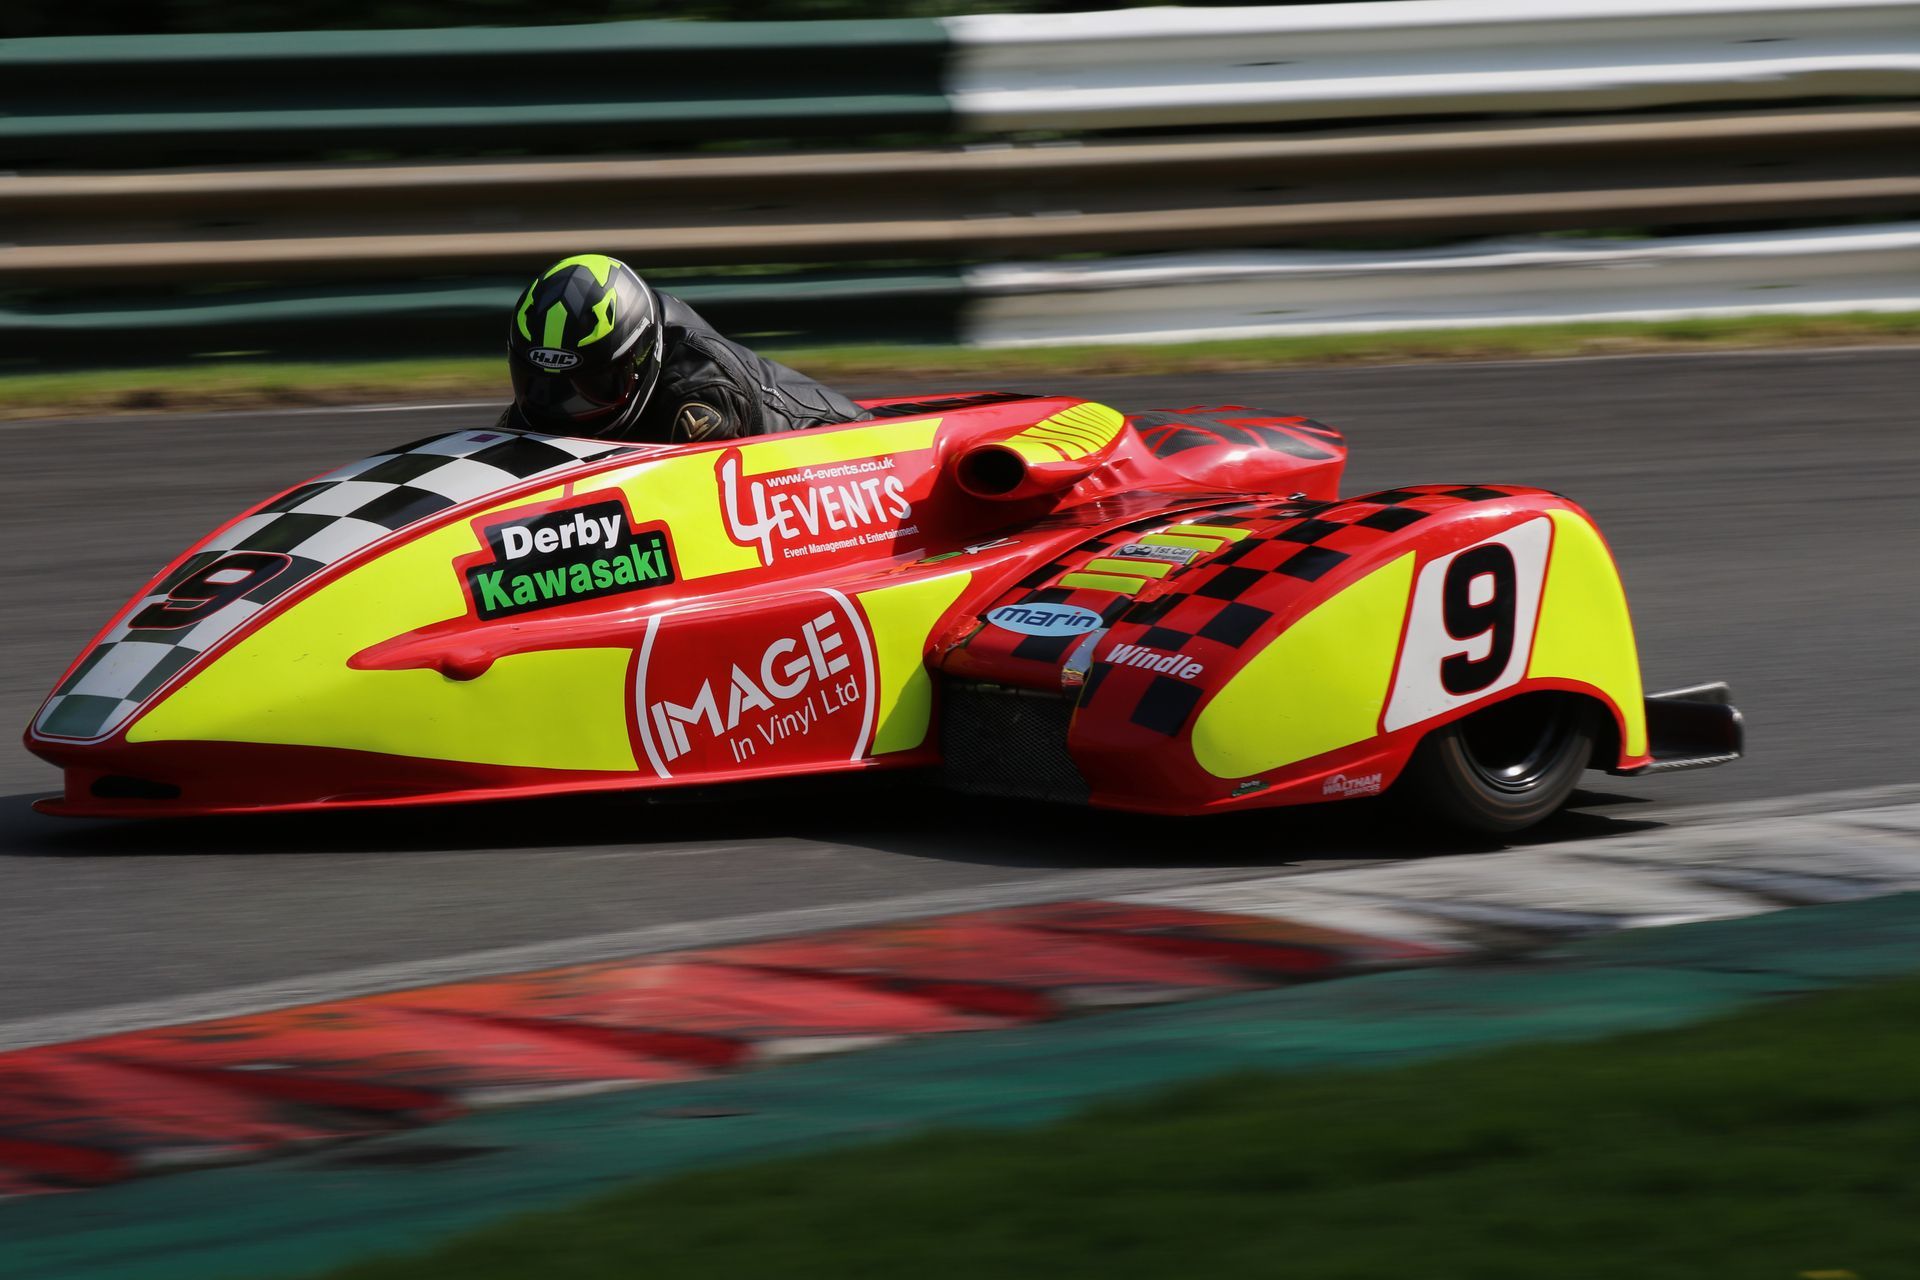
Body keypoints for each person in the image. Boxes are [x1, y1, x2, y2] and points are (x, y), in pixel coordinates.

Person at [502, 254, 871, 443]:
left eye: (592, 387)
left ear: (641, 358)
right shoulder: (541, 409)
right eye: (540, 385)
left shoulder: (699, 397)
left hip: (845, 449)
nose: (565, 409)